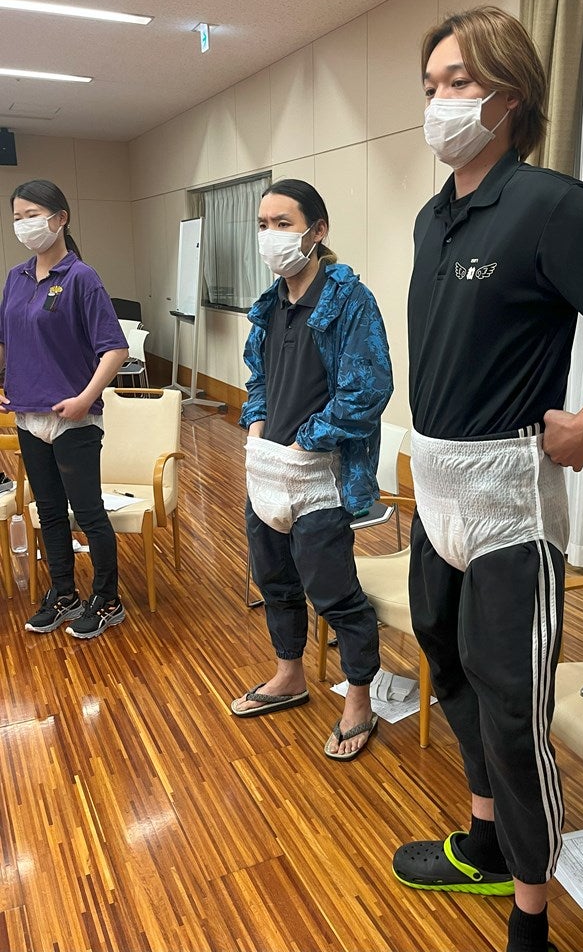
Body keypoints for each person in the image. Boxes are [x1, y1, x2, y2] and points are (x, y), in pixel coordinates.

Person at [392, 7, 583, 952]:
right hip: (436, 487)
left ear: (509, 94)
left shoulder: (550, 205)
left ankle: (531, 918)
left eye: (457, 82)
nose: (439, 101)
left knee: (513, 707)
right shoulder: (435, 216)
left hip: (508, 500)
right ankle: (486, 842)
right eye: (431, 85)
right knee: (449, 667)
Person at [232, 179, 394, 761]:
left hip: (320, 474)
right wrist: (256, 423)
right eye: (263, 225)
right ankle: (289, 674)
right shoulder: (271, 305)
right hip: (267, 466)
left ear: (317, 231)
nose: (270, 236)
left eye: (283, 223)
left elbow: (368, 390)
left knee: (334, 592)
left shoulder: (349, 301)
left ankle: (359, 700)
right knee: (274, 580)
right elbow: (257, 378)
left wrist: (307, 440)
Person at [1, 180, 129, 639]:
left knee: (88, 513)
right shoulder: (15, 278)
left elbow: (115, 349)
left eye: (32, 215)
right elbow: (6, 340)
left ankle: (108, 598)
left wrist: (84, 398)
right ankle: (63, 593)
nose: (24, 225)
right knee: (49, 511)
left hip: (74, 418)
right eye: (17, 217)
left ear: (60, 218)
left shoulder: (81, 277)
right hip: (28, 414)